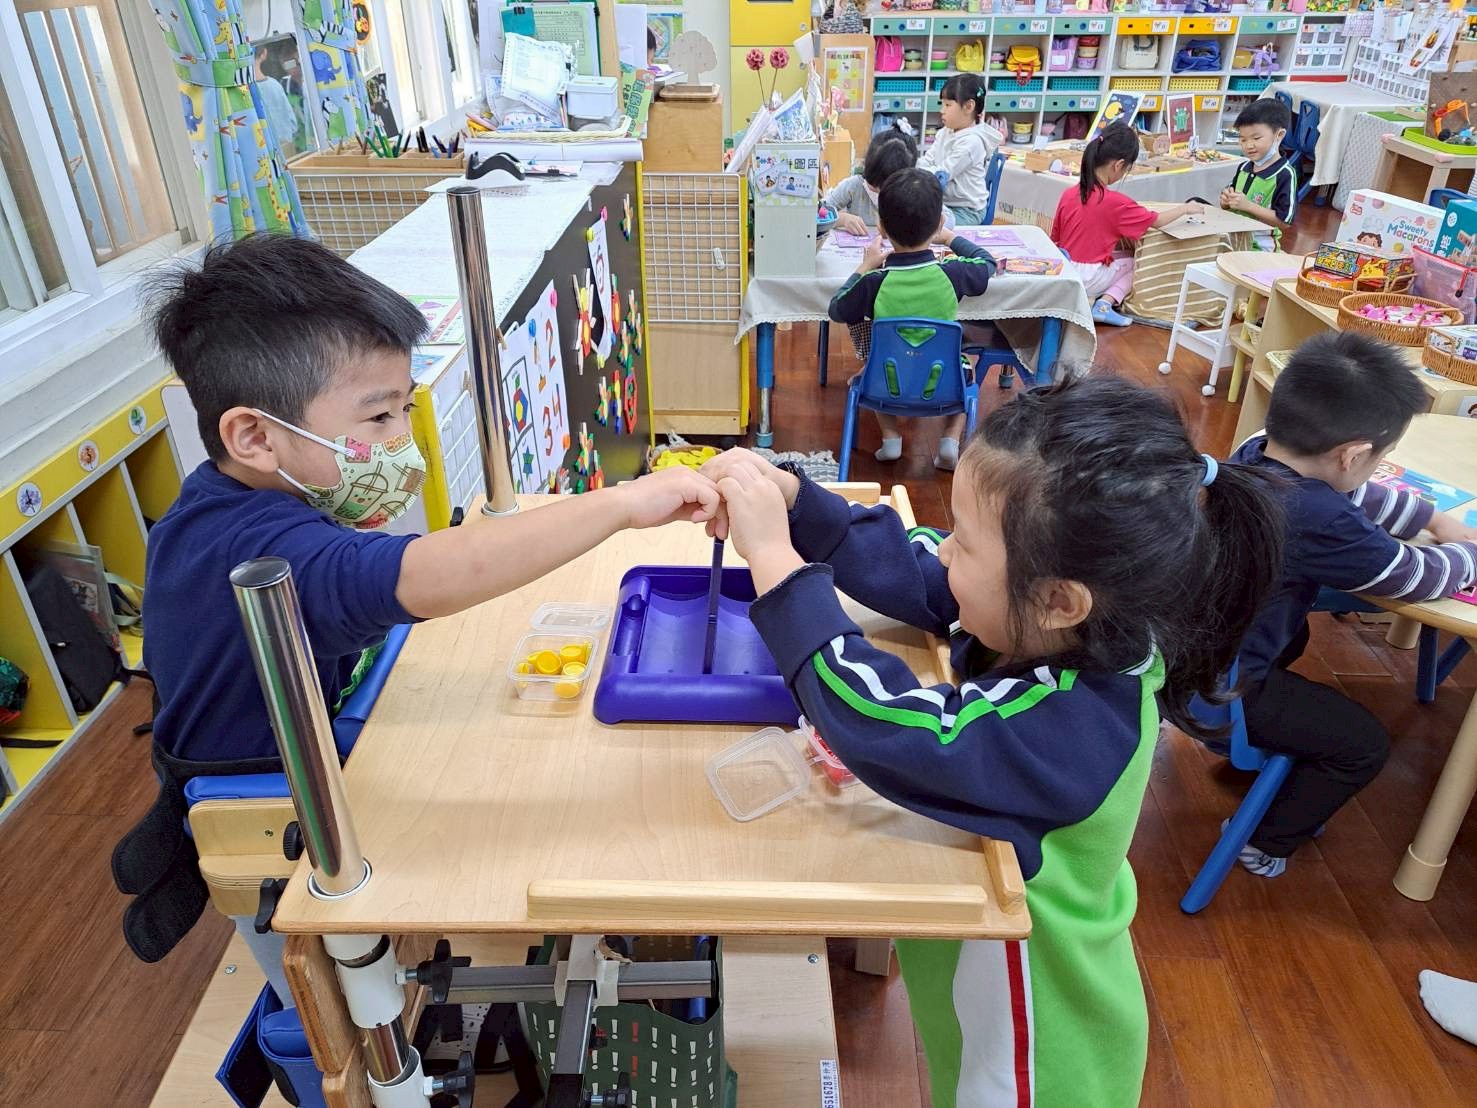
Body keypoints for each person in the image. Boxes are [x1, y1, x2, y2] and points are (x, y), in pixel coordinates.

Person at [114, 235, 722, 968]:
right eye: (378, 419)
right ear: (254, 436)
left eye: (405, 408)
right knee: (333, 980)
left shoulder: (217, 498)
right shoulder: (269, 557)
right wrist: (624, 504)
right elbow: (429, 575)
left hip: (289, 743)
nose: (405, 441)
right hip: (264, 810)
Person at [700, 374, 1284, 1108]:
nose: (944, 551)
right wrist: (798, 504)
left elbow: (889, 724)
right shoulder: (1084, 626)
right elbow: (926, 573)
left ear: (1058, 599)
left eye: (965, 542)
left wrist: (777, 566)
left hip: (1036, 1049)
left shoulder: (1075, 727)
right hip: (994, 996)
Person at [1226, 331, 1477, 878]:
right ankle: (1263, 841)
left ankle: (1255, 740)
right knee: (1362, 746)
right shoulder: (1321, 521)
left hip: (1191, 650)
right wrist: (1469, 554)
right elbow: (1413, 576)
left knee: (1295, 632)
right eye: (1380, 457)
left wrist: (1433, 518)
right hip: (1221, 689)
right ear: (1354, 454)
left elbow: (1357, 492)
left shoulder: (1256, 452)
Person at [827, 167, 995, 471]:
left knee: (877, 360)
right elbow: (987, 262)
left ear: (881, 228)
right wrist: (949, 237)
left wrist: (865, 266)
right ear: (939, 223)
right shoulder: (952, 274)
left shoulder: (875, 281)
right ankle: (950, 440)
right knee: (965, 365)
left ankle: (891, 438)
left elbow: (837, 309)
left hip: (884, 383)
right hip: (943, 383)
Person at [1050, 122, 1205, 327]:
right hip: (1087, 278)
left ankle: (1102, 301)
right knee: (1136, 263)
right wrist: (1185, 208)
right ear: (1118, 165)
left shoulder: (1069, 193)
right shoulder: (1116, 202)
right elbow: (1157, 220)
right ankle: (1105, 304)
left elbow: (1055, 237)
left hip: (1065, 268)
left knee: (1121, 256)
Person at [918, 75, 1003, 227]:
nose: (942, 110)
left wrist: (915, 172)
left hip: (966, 210)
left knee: (927, 228)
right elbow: (928, 159)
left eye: (948, 105)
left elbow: (943, 174)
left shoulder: (972, 143)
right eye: (942, 104)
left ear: (968, 107)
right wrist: (916, 168)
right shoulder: (946, 132)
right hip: (944, 204)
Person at [1220, 98, 1296, 252]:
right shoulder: (1244, 167)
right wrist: (1225, 201)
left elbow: (1284, 222)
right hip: (1232, 240)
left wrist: (1248, 206)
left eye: (1256, 138)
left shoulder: (1284, 174)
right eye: (1243, 139)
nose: (1248, 145)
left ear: (1279, 135)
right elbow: (1230, 203)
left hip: (1260, 248)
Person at [827, 127, 918, 237]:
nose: (880, 192)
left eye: (887, 188)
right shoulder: (854, 186)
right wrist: (842, 219)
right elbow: (816, 213)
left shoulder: (913, 192)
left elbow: (934, 223)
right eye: (874, 186)